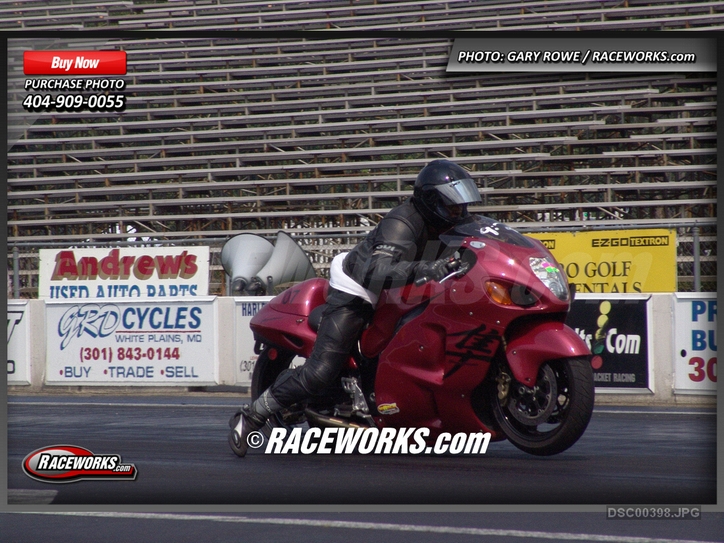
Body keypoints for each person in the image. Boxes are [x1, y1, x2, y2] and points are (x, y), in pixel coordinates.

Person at [229, 159, 482, 457]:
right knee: (320, 372)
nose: (459, 211)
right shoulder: (401, 223)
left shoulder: (456, 220)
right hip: (359, 289)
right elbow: (375, 272)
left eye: (461, 204)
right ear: (431, 201)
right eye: (452, 205)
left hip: (405, 285)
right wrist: (428, 268)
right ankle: (252, 415)